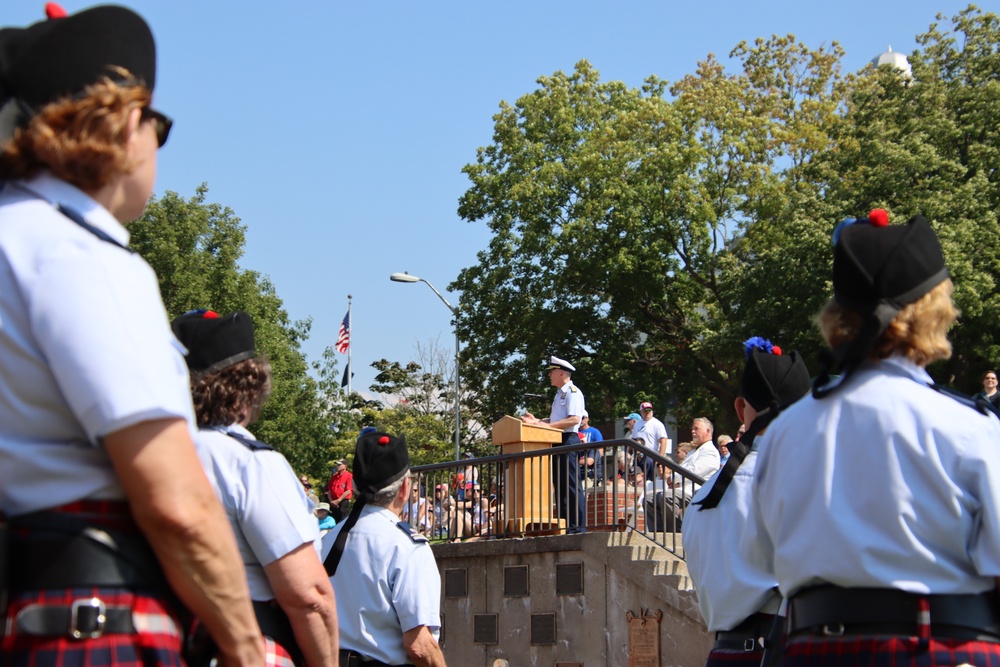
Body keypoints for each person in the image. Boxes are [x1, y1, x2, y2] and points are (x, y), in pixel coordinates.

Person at [0, 7, 264, 666]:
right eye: (157, 124)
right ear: (125, 122)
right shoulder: (81, 257)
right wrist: (246, 649)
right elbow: (177, 502)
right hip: (96, 623)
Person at [748, 211, 1000, 665]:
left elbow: (765, 561)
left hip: (813, 651)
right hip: (939, 648)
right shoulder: (969, 428)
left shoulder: (785, 432)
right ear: (933, 311)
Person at [173, 309, 339, 667]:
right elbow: (309, 596)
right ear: (249, 387)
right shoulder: (250, 462)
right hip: (248, 644)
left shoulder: (145, 456)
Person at [683, 338, 811, 667]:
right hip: (786, 651)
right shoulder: (809, 484)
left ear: (741, 408)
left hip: (724, 653)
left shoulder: (701, 497)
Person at [322, 430, 447, 667]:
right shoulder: (407, 547)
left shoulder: (326, 541)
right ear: (404, 488)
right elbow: (419, 646)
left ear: (356, 487)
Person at [521, 355, 587, 533]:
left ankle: (577, 528)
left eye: (552, 371)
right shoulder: (559, 394)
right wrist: (538, 421)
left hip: (568, 440)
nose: (549, 375)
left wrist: (547, 425)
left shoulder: (573, 392)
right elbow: (557, 419)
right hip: (557, 441)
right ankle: (566, 526)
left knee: (572, 486)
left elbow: (573, 419)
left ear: (562, 373)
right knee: (561, 487)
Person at [635, 401, 670, 477]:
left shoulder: (657, 424)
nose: (647, 413)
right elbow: (634, 440)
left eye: (649, 410)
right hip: (639, 458)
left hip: (652, 457)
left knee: (650, 479)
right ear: (641, 411)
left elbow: (663, 442)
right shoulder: (637, 424)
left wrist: (659, 459)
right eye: (645, 411)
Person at [579, 411, 604, 485]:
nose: (581, 420)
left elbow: (600, 448)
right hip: (582, 459)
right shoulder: (576, 432)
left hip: (591, 464)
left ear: (587, 419)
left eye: (582, 418)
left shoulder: (594, 431)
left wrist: (596, 460)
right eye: (579, 417)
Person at [326, 458, 353, 523]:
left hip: (343, 501)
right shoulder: (334, 476)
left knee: (343, 518)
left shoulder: (349, 476)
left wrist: (338, 500)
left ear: (345, 466)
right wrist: (331, 501)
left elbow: (348, 490)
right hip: (333, 502)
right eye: (337, 465)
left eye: (340, 465)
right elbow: (329, 490)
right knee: (333, 518)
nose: (338, 466)